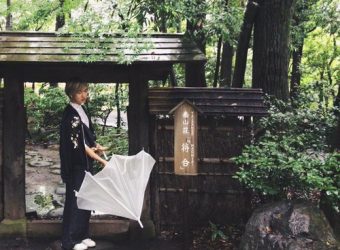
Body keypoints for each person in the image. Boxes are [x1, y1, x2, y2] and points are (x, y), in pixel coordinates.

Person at [59, 81, 108, 250]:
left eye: (86, 91)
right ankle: (70, 241)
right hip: (76, 164)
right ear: (71, 93)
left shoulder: (82, 110)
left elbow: (87, 138)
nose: (84, 95)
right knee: (75, 200)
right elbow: (80, 146)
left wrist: (98, 147)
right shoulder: (70, 114)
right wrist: (102, 160)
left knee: (87, 198)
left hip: (86, 162)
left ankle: (83, 234)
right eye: (80, 92)